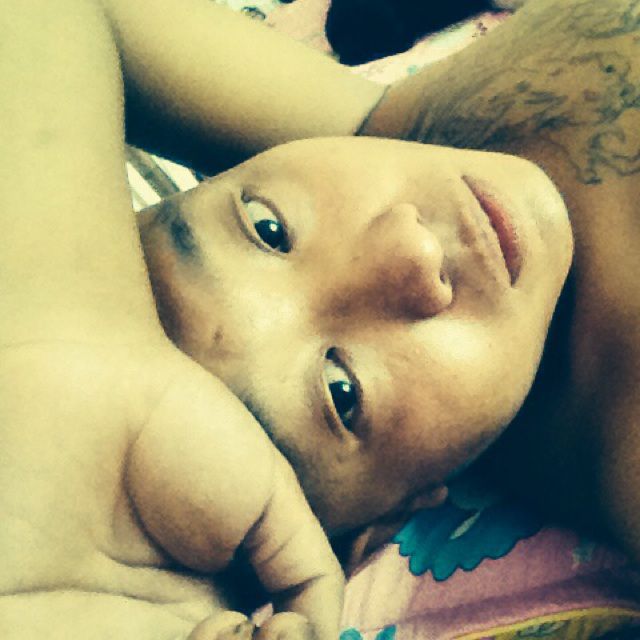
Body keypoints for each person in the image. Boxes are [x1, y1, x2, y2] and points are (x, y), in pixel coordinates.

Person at [0, 0, 637, 638]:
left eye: (269, 229)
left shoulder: (387, 126)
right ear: (384, 522)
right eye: (342, 391)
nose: (411, 250)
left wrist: (57, 334)